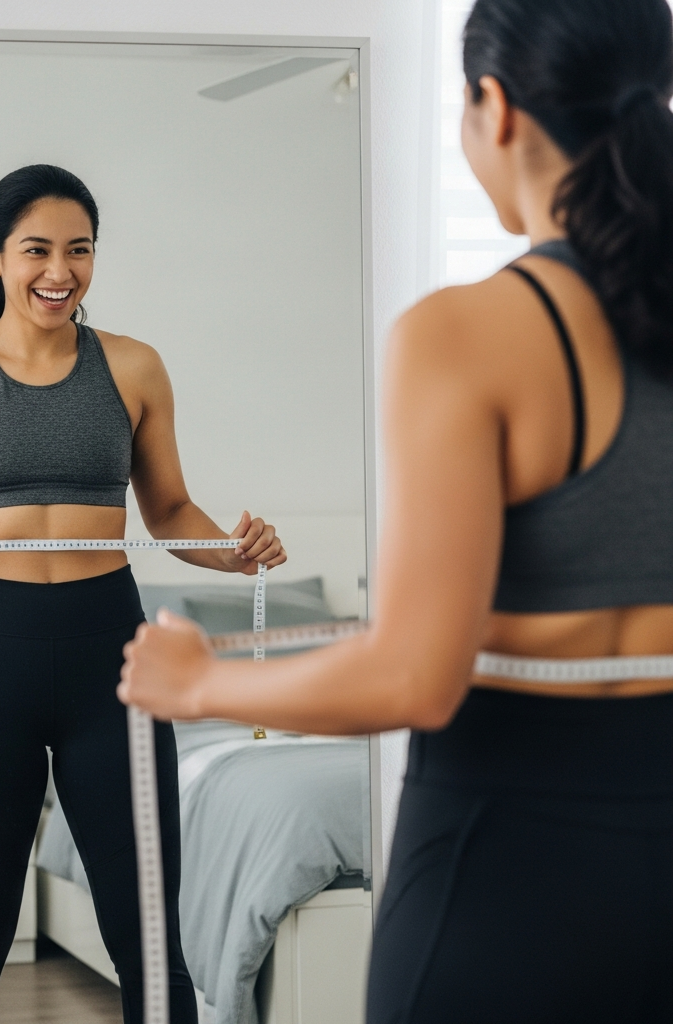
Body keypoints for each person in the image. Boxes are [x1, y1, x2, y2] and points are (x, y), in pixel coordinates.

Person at [118, 1, 673, 1020]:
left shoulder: (469, 334)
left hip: (503, 870)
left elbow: (416, 674)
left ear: (493, 108)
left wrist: (197, 684)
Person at [0, 164, 286, 1023]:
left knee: (150, 946)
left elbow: (172, 509)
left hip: (111, 658)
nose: (59, 271)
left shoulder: (135, 367)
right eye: (37, 250)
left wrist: (234, 553)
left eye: (79, 251)